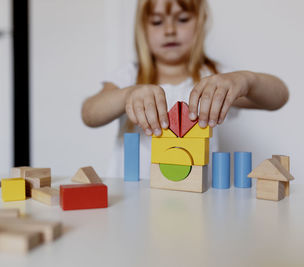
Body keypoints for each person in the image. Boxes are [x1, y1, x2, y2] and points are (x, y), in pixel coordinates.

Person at [81, 0, 289, 179]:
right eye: (157, 21)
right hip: (133, 198)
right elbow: (89, 114)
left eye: (182, 19)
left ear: (200, 22)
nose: (169, 30)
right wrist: (127, 95)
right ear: (142, 28)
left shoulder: (215, 78)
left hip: (198, 201)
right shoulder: (130, 75)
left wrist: (247, 80)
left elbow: (279, 97)